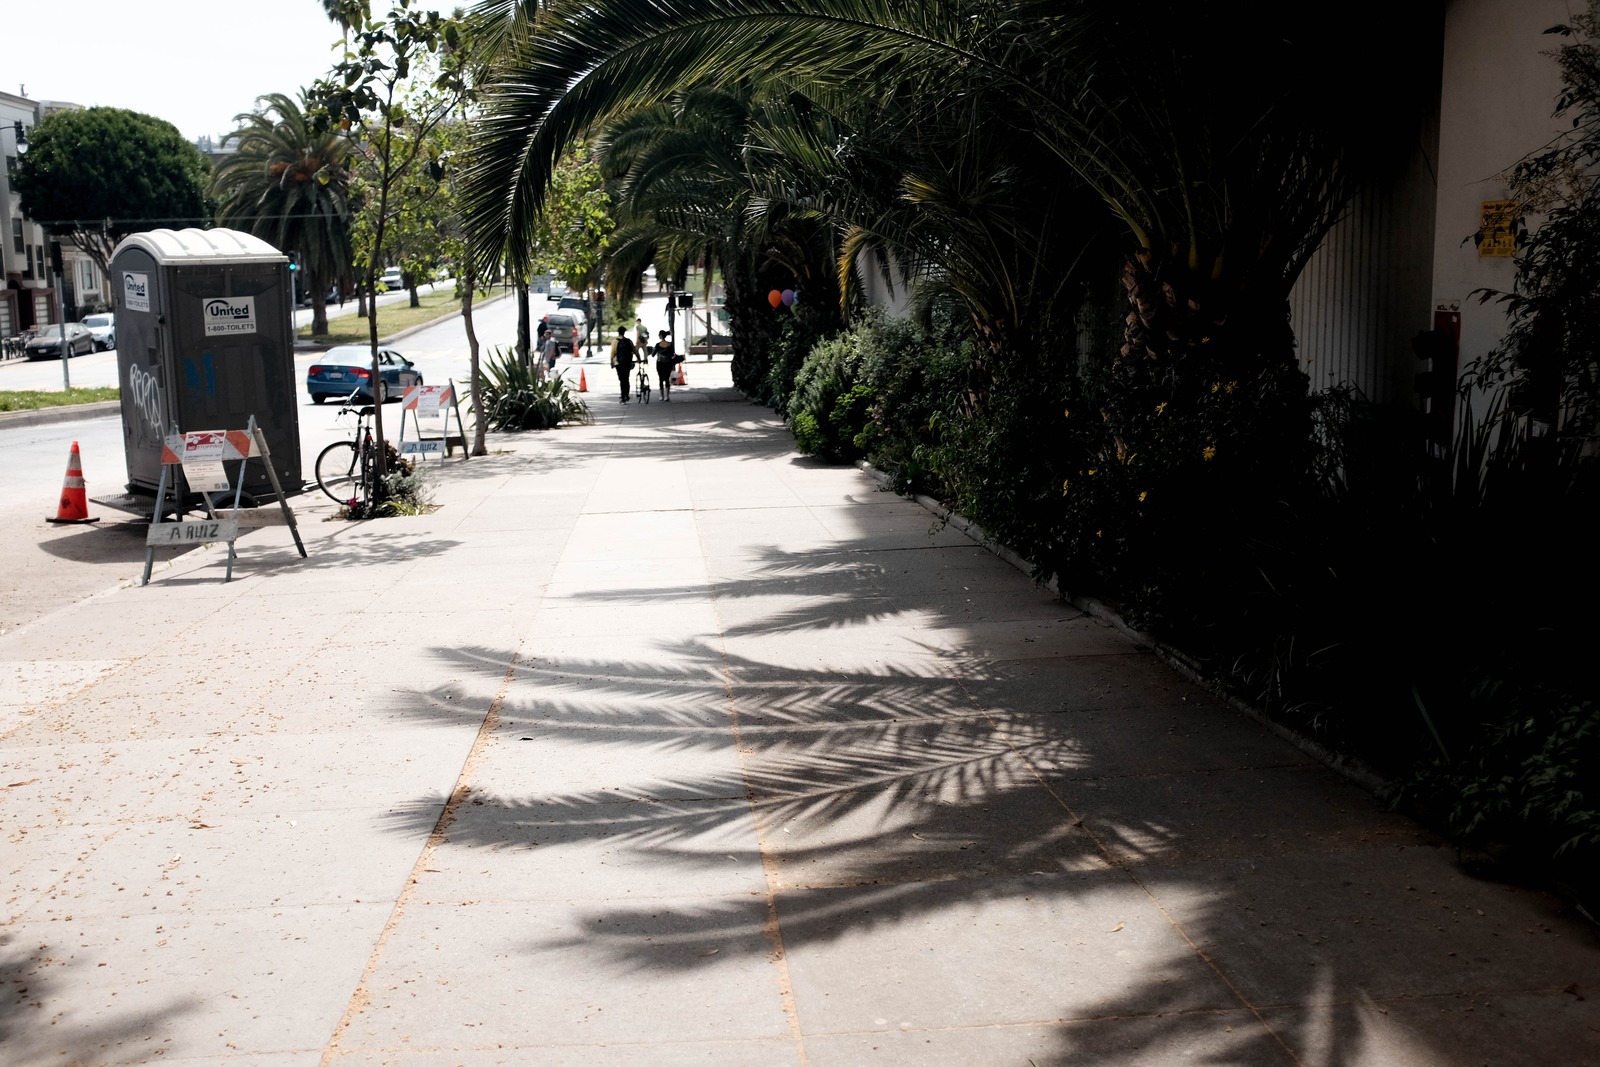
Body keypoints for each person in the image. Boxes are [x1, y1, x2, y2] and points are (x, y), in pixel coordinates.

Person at [653, 330, 680, 401]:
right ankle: (667, 396)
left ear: (661, 336)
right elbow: (672, 354)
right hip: (668, 363)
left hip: (660, 363)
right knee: (667, 379)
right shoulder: (670, 344)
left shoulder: (657, 345)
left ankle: (661, 396)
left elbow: (653, 354)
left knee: (661, 379)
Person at [611, 326, 637, 403]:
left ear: (618, 332)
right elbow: (635, 350)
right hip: (627, 362)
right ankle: (626, 394)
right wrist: (638, 358)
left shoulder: (615, 341)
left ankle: (623, 396)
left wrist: (611, 361)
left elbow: (613, 352)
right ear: (624, 332)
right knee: (626, 378)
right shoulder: (628, 341)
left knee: (621, 379)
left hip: (618, 363)